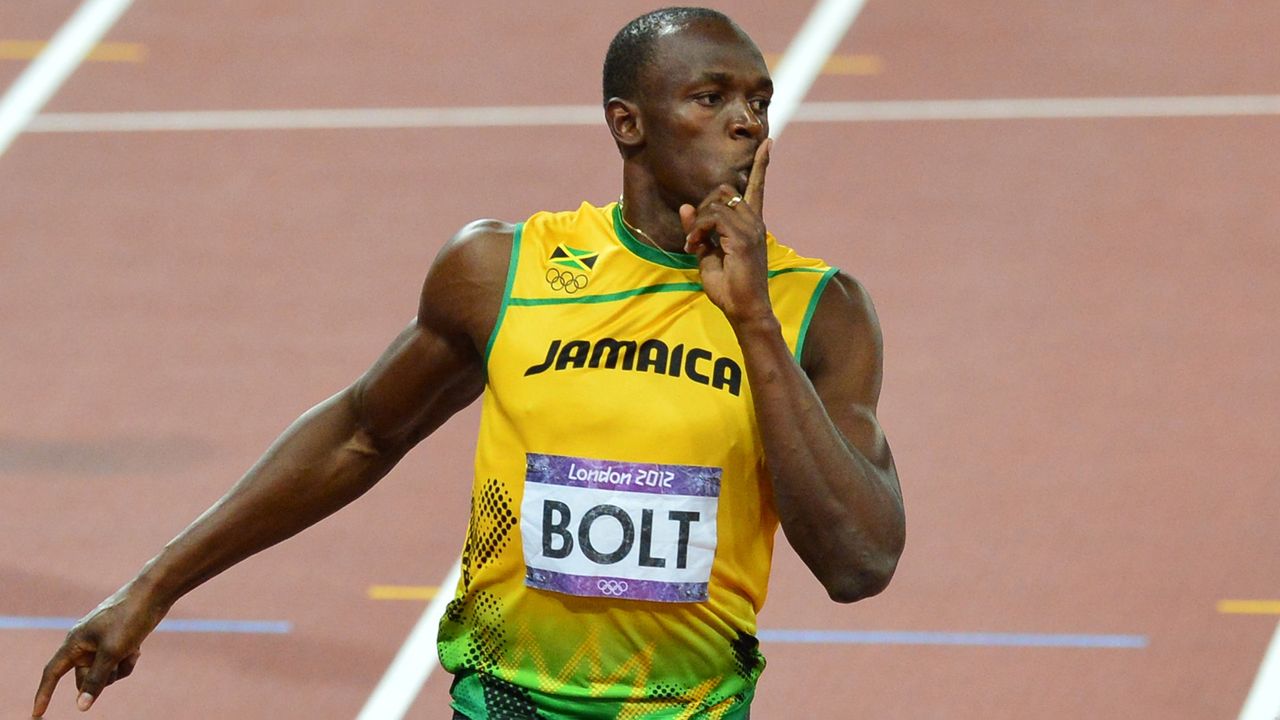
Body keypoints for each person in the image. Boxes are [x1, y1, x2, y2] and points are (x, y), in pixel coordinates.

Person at [33, 7, 905, 719]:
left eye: (759, 100)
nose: (747, 122)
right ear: (626, 123)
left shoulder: (817, 310)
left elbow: (859, 564)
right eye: (711, 98)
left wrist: (752, 323)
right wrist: (151, 590)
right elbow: (360, 434)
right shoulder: (504, 272)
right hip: (502, 706)